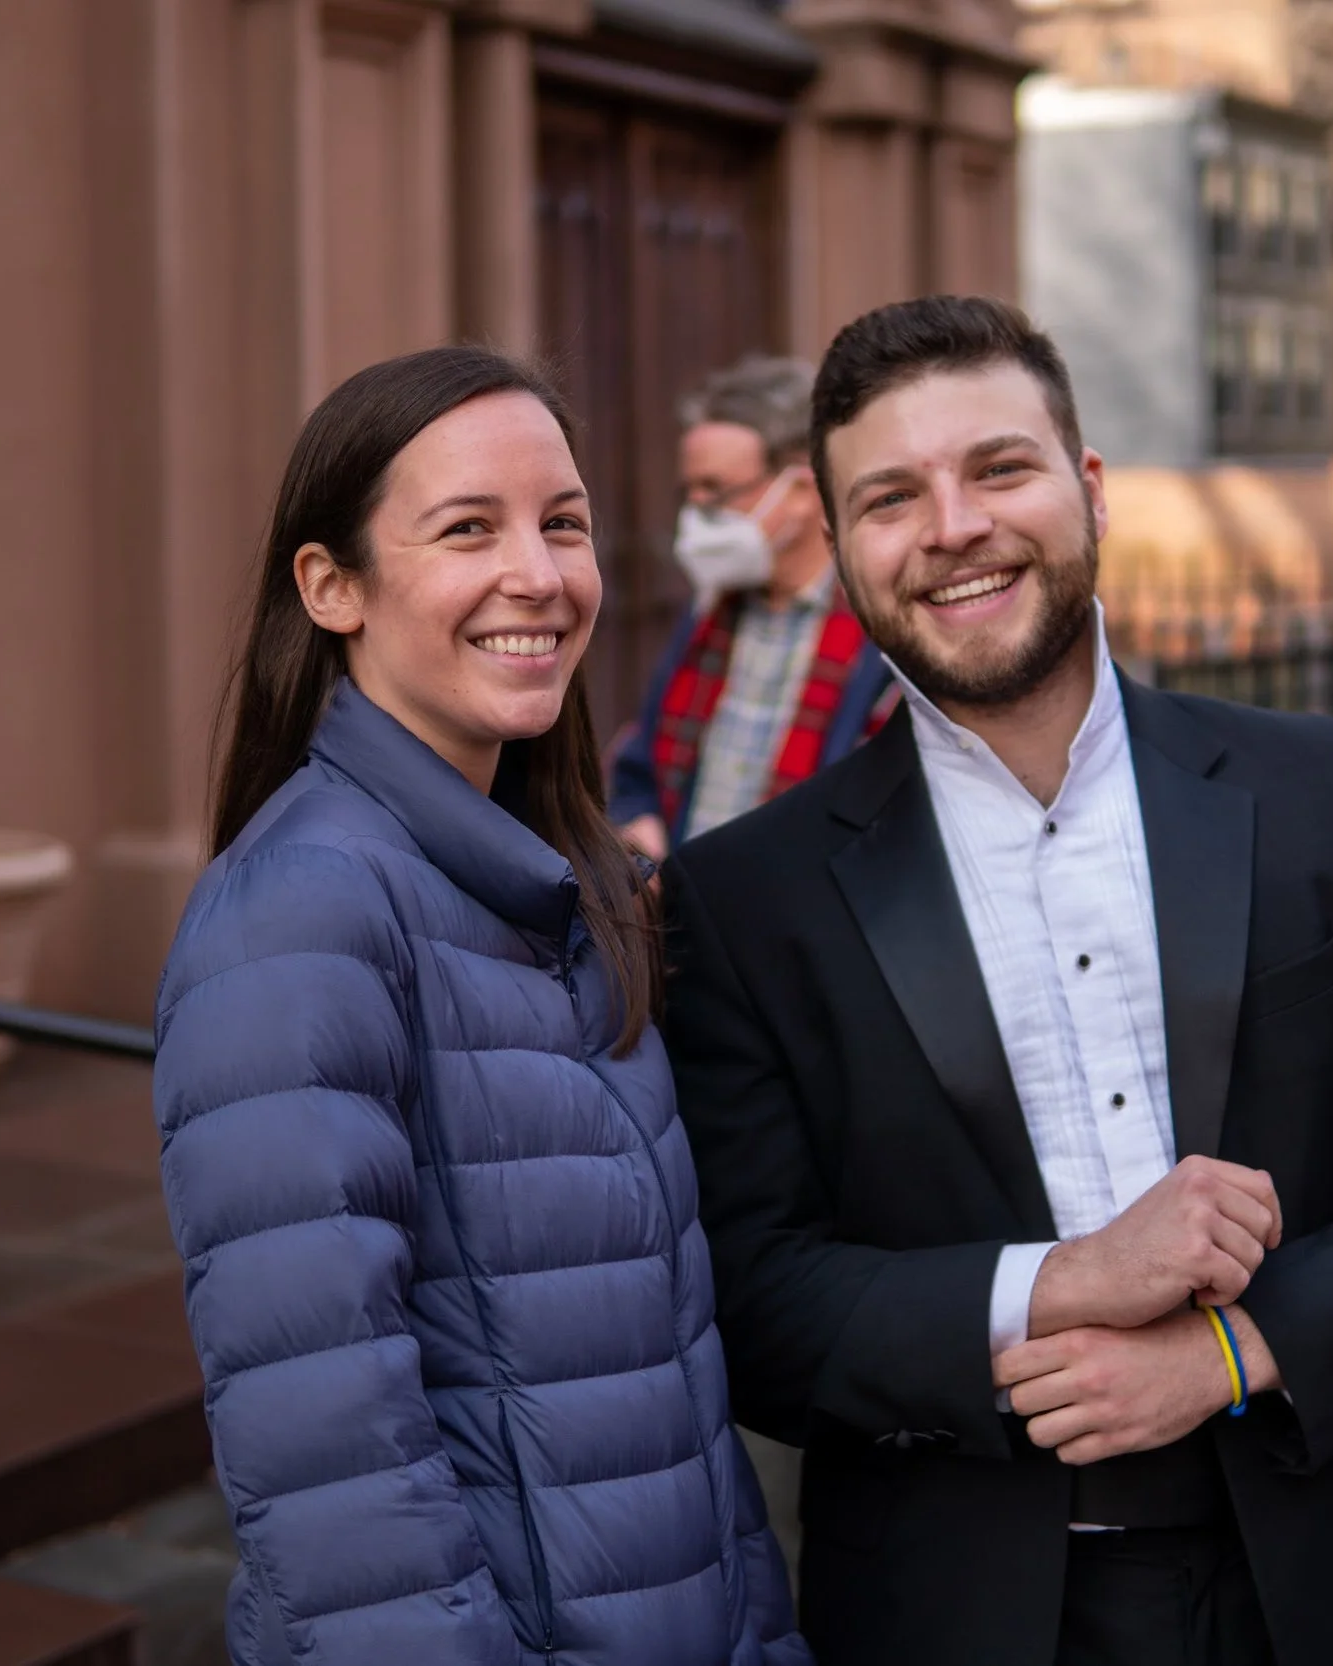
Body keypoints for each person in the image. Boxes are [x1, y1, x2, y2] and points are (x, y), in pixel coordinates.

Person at [661, 297, 1333, 1666]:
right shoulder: (744, 896)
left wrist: (1230, 1353)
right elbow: (761, 1304)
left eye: (999, 468)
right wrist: (1062, 1281)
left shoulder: (1324, 791)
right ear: (839, 549)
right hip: (962, 1610)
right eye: (892, 497)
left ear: (1088, 489)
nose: (953, 525)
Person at [152, 346, 805, 1666]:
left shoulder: (573, 887)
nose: (541, 574)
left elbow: (669, 1378)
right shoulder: (300, 915)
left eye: (562, 521)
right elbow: (331, 1462)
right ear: (331, 585)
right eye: (467, 529)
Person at [610, 355, 893, 861]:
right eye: (690, 490)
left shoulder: (883, 634)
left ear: (802, 492)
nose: (695, 512)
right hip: (686, 917)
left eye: (716, 491)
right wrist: (639, 827)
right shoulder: (706, 614)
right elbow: (641, 767)